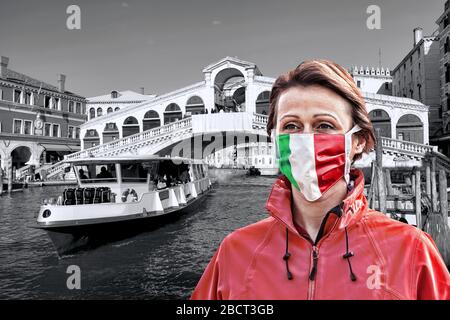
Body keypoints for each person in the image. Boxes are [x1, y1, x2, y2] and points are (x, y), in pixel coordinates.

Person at [191, 60, 450, 300]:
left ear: (358, 141)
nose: (306, 139)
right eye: (291, 126)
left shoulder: (412, 251)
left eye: (324, 126)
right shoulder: (234, 253)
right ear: (273, 139)